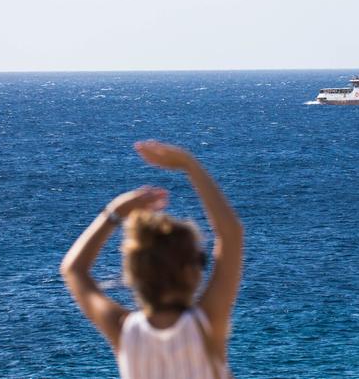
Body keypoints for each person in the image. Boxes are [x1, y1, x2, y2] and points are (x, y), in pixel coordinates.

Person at [61, 141, 243, 379]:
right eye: (200, 259)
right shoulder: (206, 324)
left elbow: (73, 270)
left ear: (134, 273)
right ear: (189, 272)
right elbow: (231, 235)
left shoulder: (125, 331)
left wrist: (116, 212)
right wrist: (190, 165)